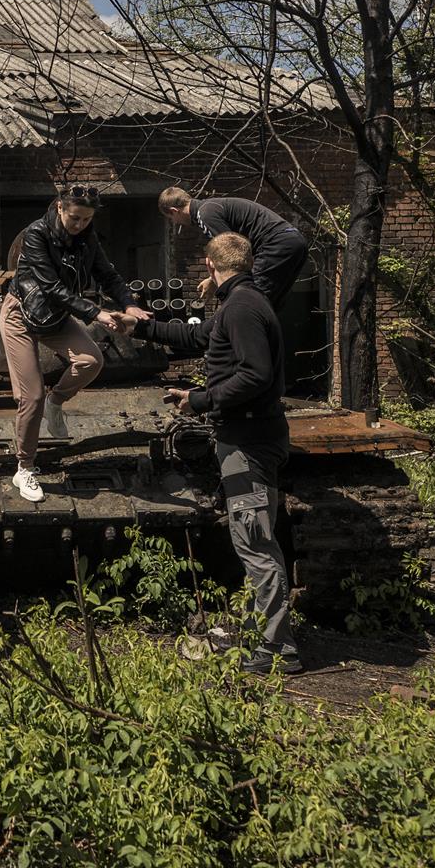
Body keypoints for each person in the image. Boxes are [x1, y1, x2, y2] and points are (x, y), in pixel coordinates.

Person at [115, 232, 301, 675]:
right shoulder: (243, 302)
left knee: (254, 541)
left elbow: (255, 375)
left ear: (210, 266)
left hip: (249, 442)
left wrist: (200, 399)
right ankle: (266, 634)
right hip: (251, 436)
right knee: (256, 536)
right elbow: (198, 338)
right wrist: (139, 326)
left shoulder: (241, 308)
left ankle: (279, 650)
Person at [1, 185, 149, 504]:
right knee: (31, 395)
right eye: (75, 217)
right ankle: (24, 468)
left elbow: (108, 275)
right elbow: (51, 286)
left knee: (91, 361)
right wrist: (96, 313)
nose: (80, 224)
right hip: (21, 313)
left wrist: (129, 304)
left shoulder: (87, 238)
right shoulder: (36, 233)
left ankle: (57, 404)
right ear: (59, 208)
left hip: (56, 315)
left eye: (87, 219)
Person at [157, 188, 310, 308]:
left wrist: (214, 280)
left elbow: (231, 252)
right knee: (268, 303)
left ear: (174, 211)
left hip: (276, 244)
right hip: (294, 242)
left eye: (172, 219)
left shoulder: (205, 214)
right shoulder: (211, 207)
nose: (176, 222)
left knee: (249, 300)